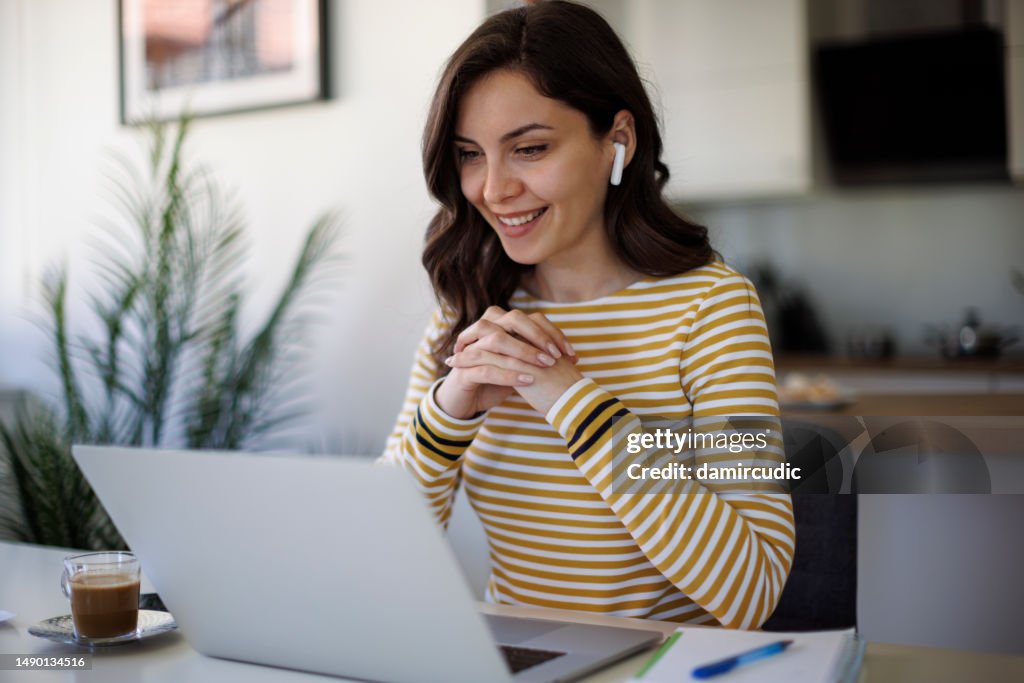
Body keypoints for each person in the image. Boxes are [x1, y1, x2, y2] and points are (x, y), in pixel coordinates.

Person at [380, 0, 794, 629]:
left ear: (617, 141)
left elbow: (752, 589)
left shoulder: (711, 308)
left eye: (530, 148)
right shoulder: (466, 311)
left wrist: (571, 399)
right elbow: (384, 549)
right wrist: (450, 406)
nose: (492, 189)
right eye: (470, 155)